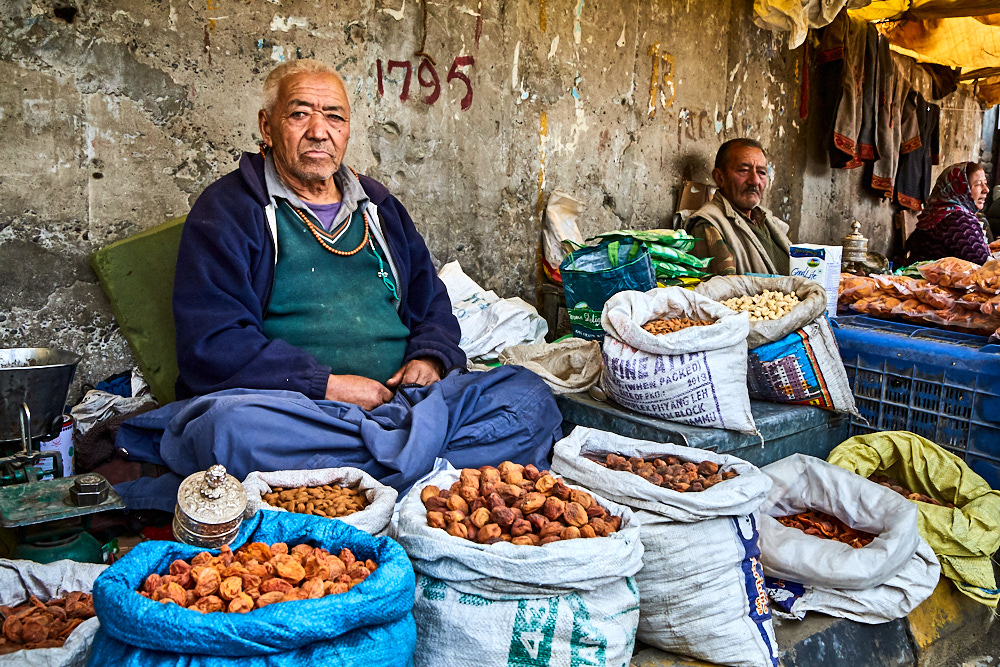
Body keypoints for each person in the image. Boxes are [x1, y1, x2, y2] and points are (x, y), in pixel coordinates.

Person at [113, 59, 560, 510]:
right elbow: (212, 342)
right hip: (303, 413)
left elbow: (432, 305)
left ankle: (349, 483)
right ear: (267, 127)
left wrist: (430, 355)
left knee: (530, 396)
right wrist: (328, 385)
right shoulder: (229, 210)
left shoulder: (379, 207)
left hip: (404, 405)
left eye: (334, 116)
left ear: (347, 130)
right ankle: (422, 475)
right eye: (299, 113)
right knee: (227, 430)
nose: (318, 131)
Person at [687, 139, 792, 276]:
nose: (754, 181)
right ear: (719, 177)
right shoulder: (709, 223)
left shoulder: (768, 220)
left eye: (761, 172)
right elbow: (725, 290)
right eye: (743, 170)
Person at [906, 162, 991, 265]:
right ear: (960, 187)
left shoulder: (939, 211)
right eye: (978, 184)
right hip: (932, 279)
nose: (986, 190)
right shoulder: (958, 220)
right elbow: (984, 263)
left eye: (985, 183)